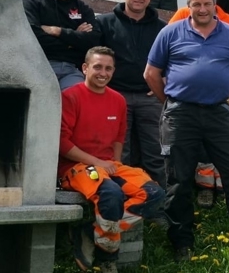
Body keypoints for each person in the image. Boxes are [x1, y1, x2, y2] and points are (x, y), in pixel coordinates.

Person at [144, 0, 229, 261]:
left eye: (206, 4)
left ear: (214, 4)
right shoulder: (171, 32)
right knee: (179, 178)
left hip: (217, 112)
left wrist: (220, 95)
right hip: (180, 114)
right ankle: (181, 240)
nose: (201, 9)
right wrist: (172, 101)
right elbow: (151, 73)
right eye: (196, 4)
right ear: (189, 6)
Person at [59, 47, 165, 273]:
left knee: (154, 194)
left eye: (108, 68)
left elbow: (119, 138)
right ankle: (108, 258)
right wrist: (98, 163)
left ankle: (91, 231)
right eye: (97, 67)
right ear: (85, 68)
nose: (103, 73)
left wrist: (115, 165)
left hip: (108, 166)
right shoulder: (70, 96)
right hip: (76, 167)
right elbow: (63, 144)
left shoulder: (118, 100)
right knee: (111, 195)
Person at [167, 0, 229, 208]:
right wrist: (169, 95)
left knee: (220, 152)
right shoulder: (182, 15)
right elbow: (160, 63)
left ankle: (212, 187)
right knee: (180, 160)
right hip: (183, 104)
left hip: (216, 103)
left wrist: (225, 93)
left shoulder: (228, 20)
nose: (203, 7)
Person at [95, 0, 167, 190]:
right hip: (115, 98)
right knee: (119, 154)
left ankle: (159, 208)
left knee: (156, 154)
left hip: (150, 98)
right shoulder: (104, 23)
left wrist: (163, 82)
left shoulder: (162, 28)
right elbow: (93, 58)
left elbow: (172, 60)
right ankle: (124, 205)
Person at [23, 0, 101, 90]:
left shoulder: (83, 8)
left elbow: (94, 41)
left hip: (72, 70)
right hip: (38, 66)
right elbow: (33, 37)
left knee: (78, 100)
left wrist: (58, 31)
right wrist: (75, 38)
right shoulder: (31, 1)